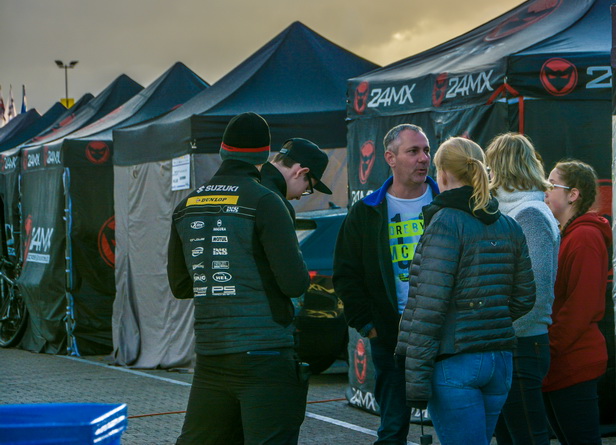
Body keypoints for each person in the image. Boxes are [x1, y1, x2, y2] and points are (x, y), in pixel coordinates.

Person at [167, 112, 329, 445]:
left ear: (223, 150)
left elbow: (180, 286)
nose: (302, 194)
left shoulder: (187, 205)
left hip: (211, 353)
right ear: (263, 154)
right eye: (309, 187)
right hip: (265, 355)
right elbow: (295, 283)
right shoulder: (267, 201)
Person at [395, 136, 536, 445]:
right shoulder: (508, 225)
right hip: (498, 360)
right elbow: (525, 297)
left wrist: (415, 380)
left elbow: (428, 308)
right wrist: (486, 319)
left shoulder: (446, 222)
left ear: (444, 173)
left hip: (456, 362)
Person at [333, 123, 438, 445]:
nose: (423, 158)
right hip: (391, 334)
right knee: (392, 428)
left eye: (426, 150)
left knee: (457, 423)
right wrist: (369, 325)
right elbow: (346, 274)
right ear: (390, 158)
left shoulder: (446, 204)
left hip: (444, 330)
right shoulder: (366, 212)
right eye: (413, 151)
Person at [486, 133, 560, 445]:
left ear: (501, 167)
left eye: (490, 166)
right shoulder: (512, 211)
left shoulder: (529, 214)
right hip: (510, 343)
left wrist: (498, 331)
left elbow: (536, 294)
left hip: (522, 344)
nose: (487, 174)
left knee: (528, 438)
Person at [542, 159, 612, 445]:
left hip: (573, 361)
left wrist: (548, 347)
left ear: (573, 194)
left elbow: (580, 307)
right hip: (559, 362)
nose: (545, 190)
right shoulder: (566, 235)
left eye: (551, 184)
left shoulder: (585, 237)